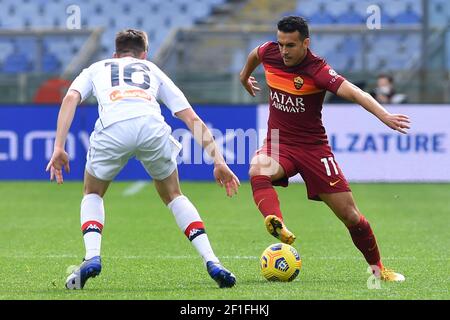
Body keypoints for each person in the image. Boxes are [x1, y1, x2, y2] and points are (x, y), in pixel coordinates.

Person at [46, 29, 240, 289]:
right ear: (144, 54)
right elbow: (190, 118)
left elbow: (71, 97)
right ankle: (212, 260)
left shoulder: (97, 67)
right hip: (151, 127)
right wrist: (218, 160)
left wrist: (59, 146)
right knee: (173, 195)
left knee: (92, 191)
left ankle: (92, 256)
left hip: (113, 128)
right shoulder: (152, 70)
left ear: (115, 54)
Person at [239, 16, 410, 281]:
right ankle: (278, 224)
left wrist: (384, 115)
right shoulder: (269, 52)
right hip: (279, 142)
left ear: (306, 43)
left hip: (314, 149)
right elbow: (255, 54)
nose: (284, 51)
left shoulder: (317, 69)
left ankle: (378, 269)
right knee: (257, 168)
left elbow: (355, 92)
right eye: (281, 43)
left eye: (291, 45)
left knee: (351, 216)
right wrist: (244, 77)